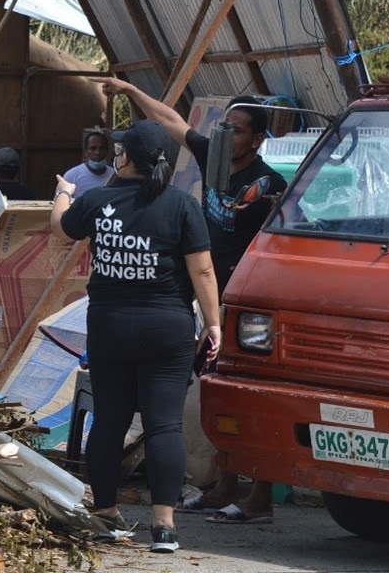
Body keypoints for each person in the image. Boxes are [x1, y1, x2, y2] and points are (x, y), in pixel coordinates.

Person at [97, 77, 287, 525]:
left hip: (243, 302)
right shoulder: (213, 158)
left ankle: (261, 495)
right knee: (217, 392)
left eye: (236, 130)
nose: (225, 135)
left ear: (258, 139)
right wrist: (128, 89)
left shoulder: (270, 184)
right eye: (223, 127)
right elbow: (171, 121)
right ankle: (225, 484)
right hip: (208, 300)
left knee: (250, 393)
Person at [52, 119, 222, 554]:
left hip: (109, 326)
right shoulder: (182, 205)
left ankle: (105, 515)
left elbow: (62, 227)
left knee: (109, 421)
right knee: (164, 424)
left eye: (119, 149)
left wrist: (63, 193)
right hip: (166, 329)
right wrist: (214, 322)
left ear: (125, 158)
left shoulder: (96, 199)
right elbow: (201, 270)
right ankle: (163, 527)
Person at [61, 128, 114, 197]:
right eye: (93, 148)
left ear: (107, 151)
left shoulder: (114, 176)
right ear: (86, 151)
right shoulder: (71, 176)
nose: (97, 152)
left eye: (101, 148)